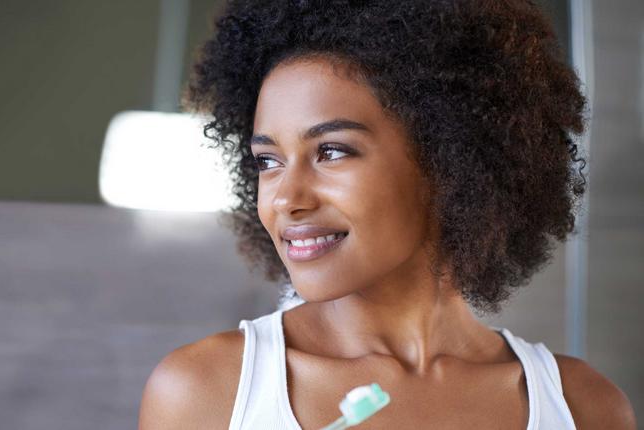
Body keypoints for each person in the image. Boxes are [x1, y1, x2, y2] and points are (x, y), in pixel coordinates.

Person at [139, 0, 637, 428]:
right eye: (268, 161)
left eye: (331, 151)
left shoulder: (584, 408)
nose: (285, 198)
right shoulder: (207, 393)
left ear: (449, 157)